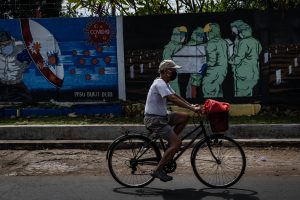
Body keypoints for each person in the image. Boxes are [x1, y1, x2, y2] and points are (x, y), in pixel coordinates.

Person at [144, 59, 201, 182]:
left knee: (185, 117)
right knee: (177, 144)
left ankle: (171, 144)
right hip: (155, 120)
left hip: (162, 116)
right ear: (166, 71)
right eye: (173, 70)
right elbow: (172, 99)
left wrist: (191, 106)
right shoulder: (159, 83)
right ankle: (158, 170)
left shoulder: (165, 83)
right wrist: (192, 108)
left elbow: (176, 96)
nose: (175, 72)